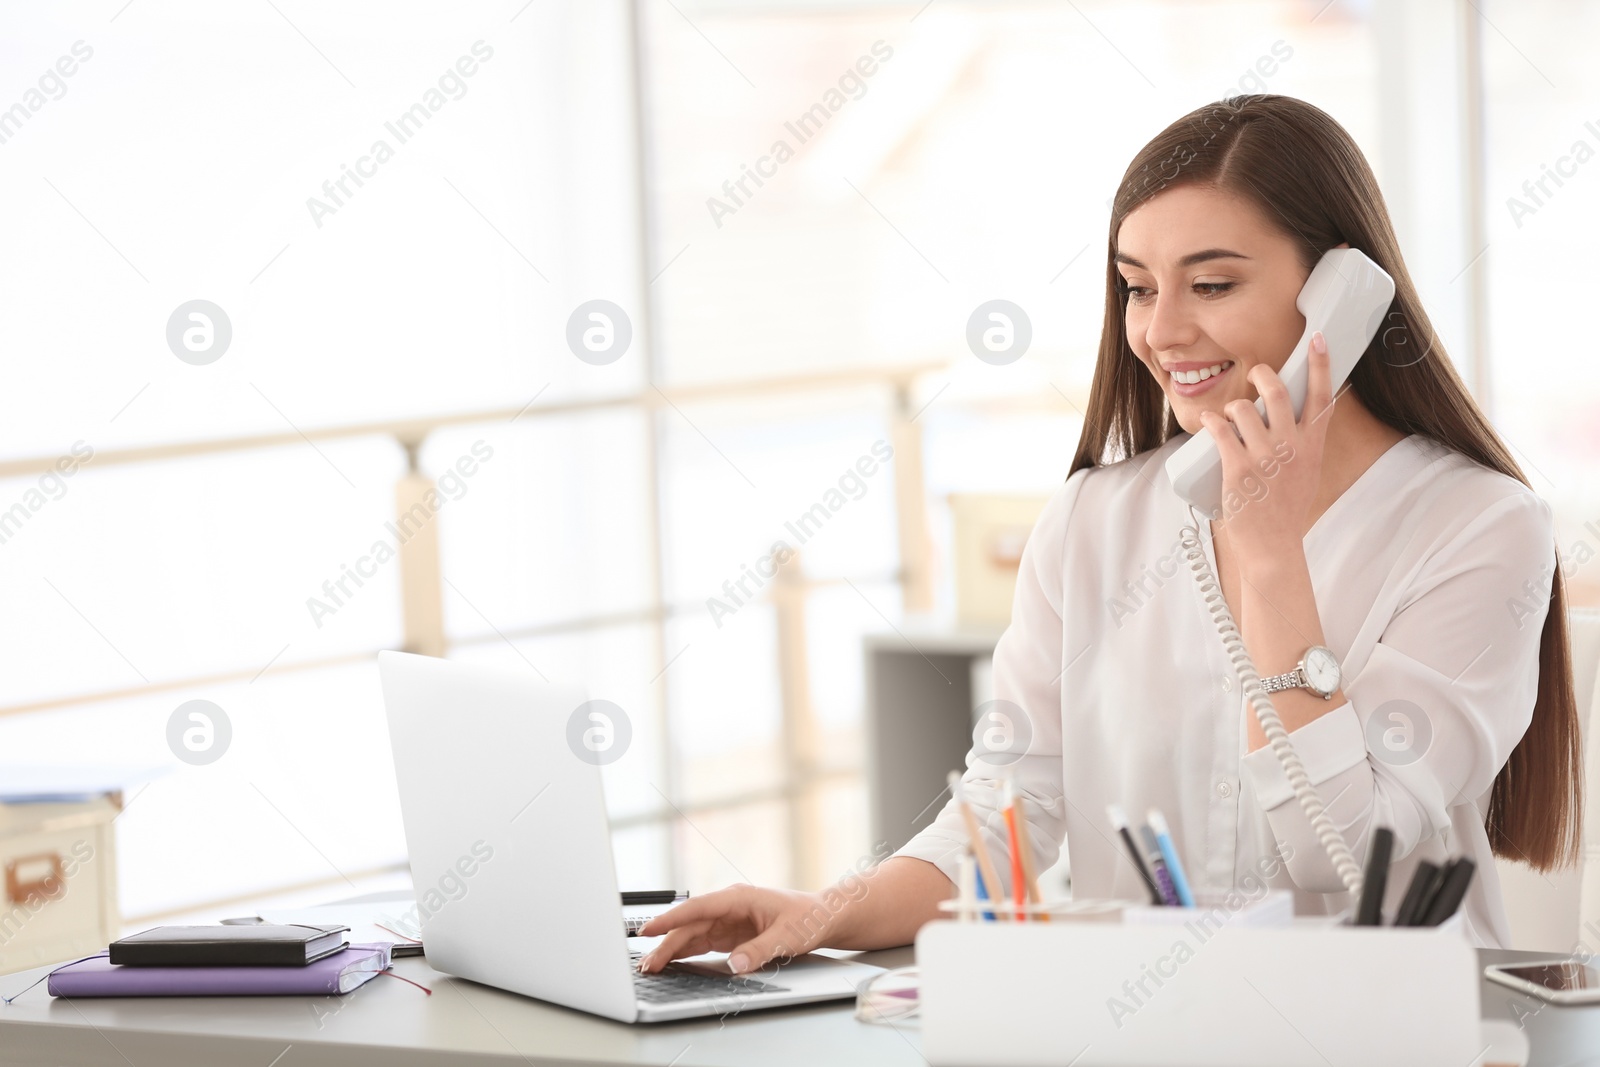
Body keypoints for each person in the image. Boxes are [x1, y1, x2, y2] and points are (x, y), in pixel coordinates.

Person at [639, 93, 1582, 972]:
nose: (1161, 331)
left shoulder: (1480, 526)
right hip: (1143, 1022)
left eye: (1210, 284)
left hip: (1390, 1035)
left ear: (1341, 292)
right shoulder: (1095, 519)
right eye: (1137, 287)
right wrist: (822, 911)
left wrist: (1268, 553)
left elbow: (1349, 848)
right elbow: (1012, 809)